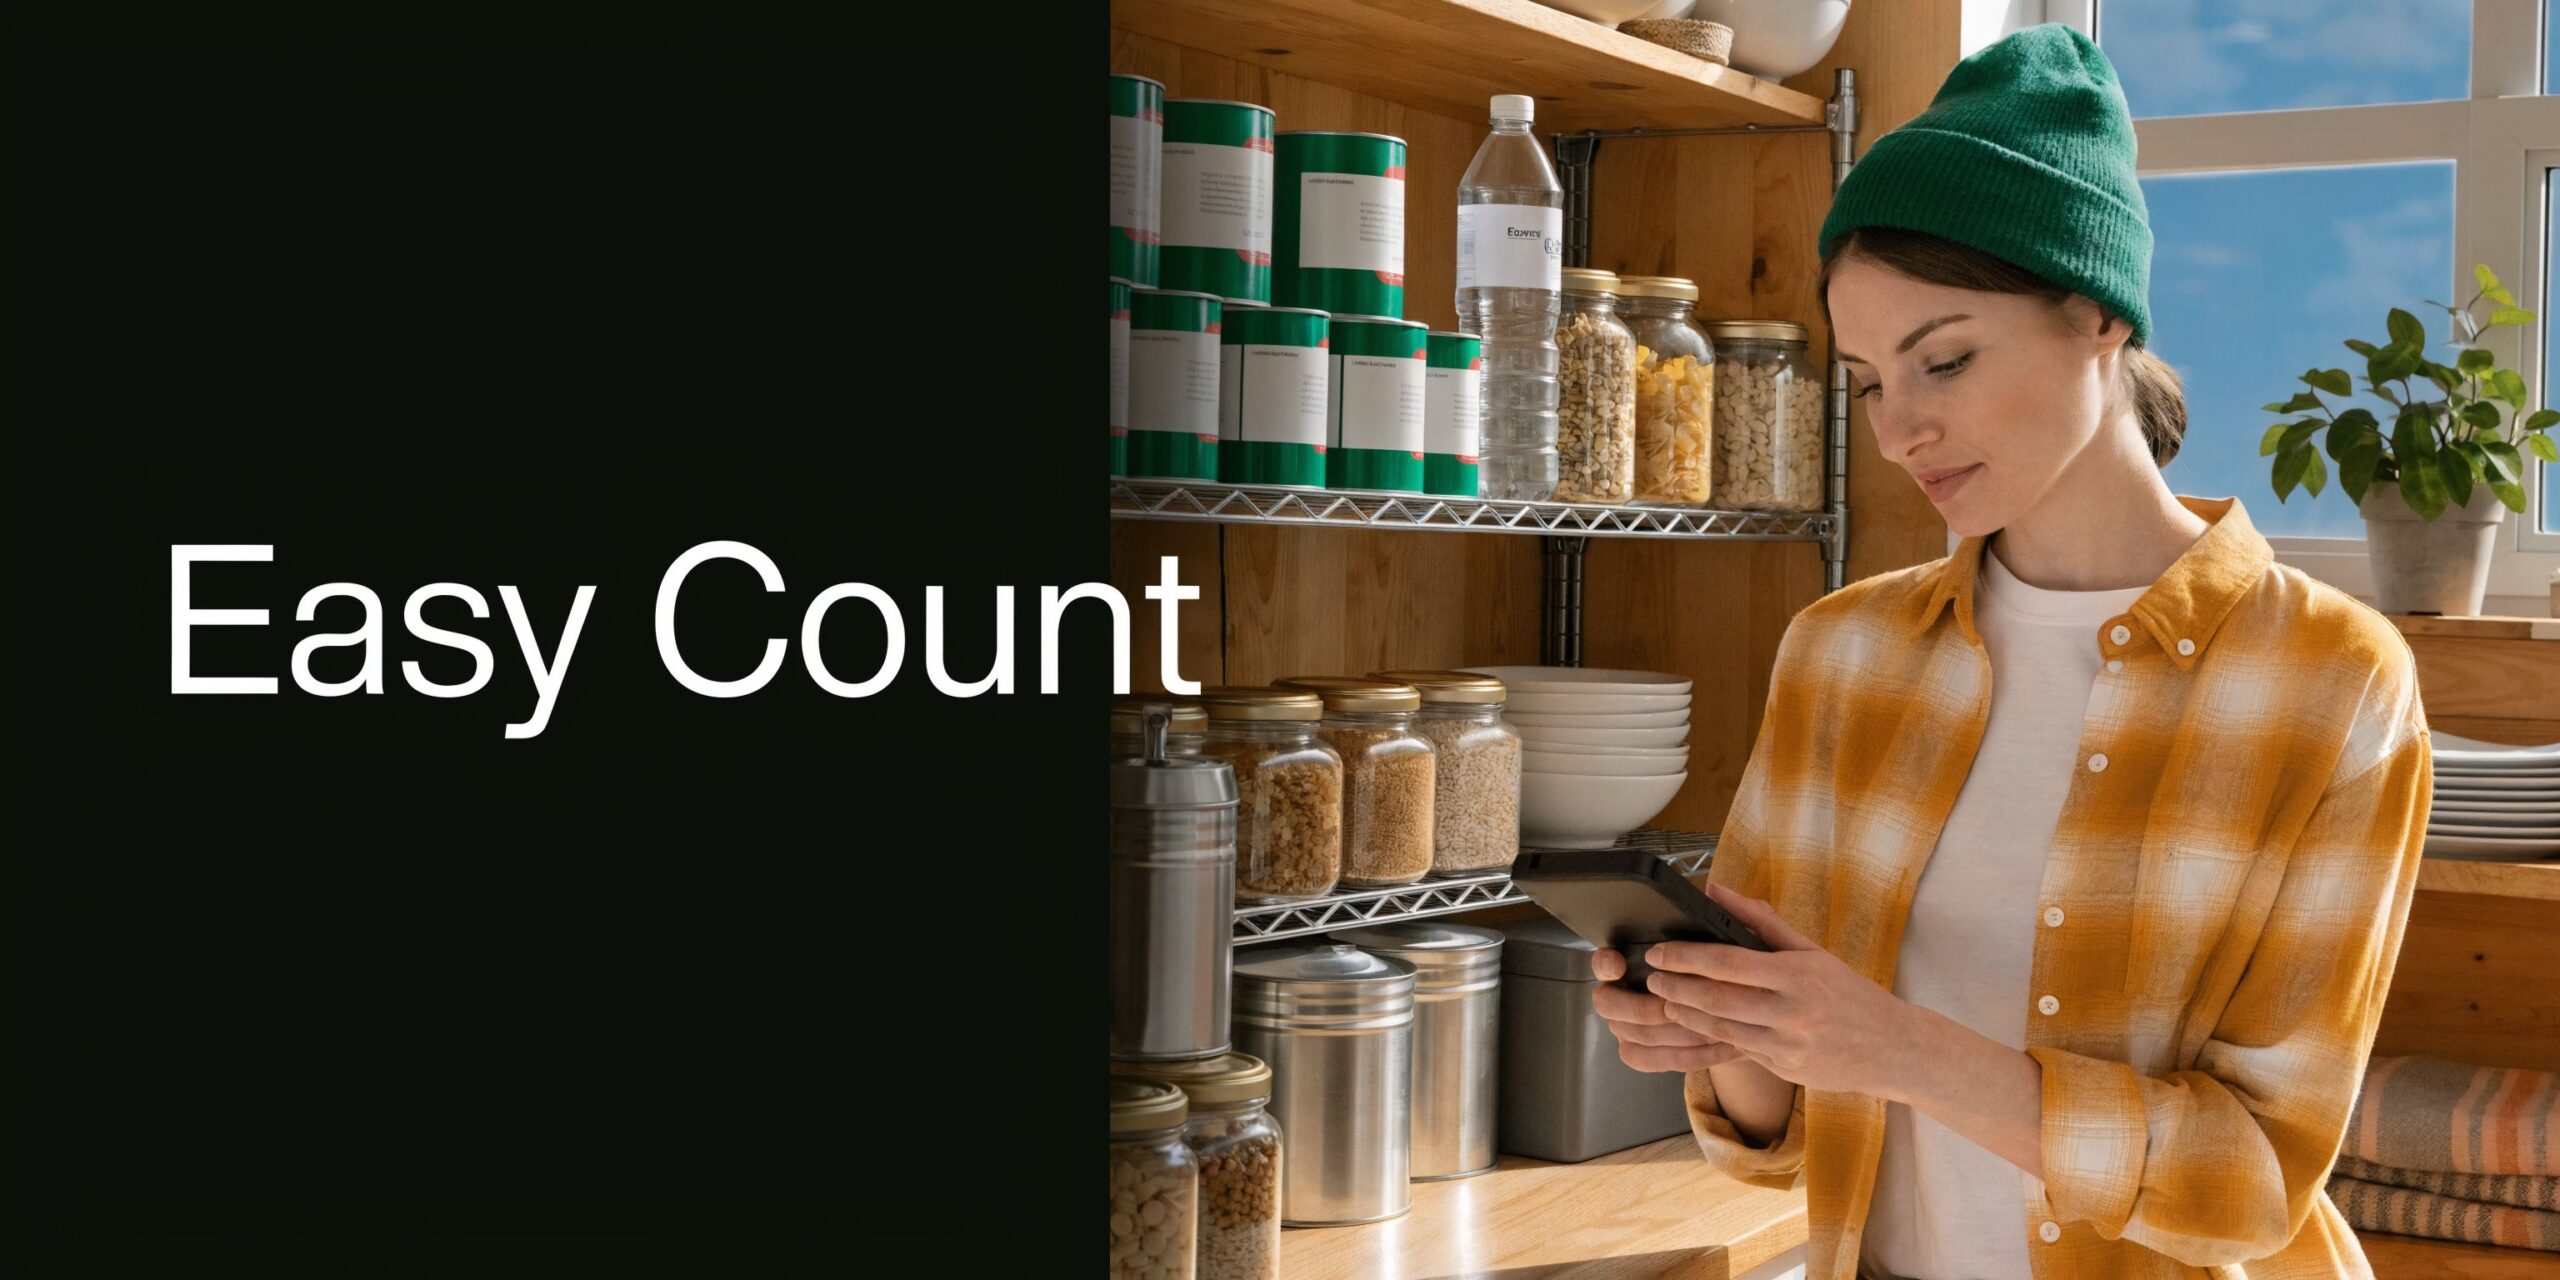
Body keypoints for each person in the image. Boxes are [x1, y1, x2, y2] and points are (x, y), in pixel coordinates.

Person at [1590, 23, 2435, 1280]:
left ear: (2096, 314)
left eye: (1945, 358)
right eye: (1871, 380)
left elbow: (2252, 1177)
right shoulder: (1841, 653)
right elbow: (1777, 1141)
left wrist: (1891, 1044)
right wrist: (1724, 1033)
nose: (1899, 429)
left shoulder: (2327, 680)